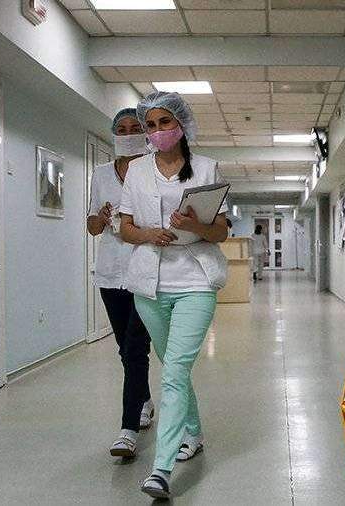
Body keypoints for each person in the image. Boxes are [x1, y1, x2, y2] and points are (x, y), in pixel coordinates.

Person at [118, 91, 229, 499]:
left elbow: (220, 231)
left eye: (165, 122)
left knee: (174, 371)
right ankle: (193, 432)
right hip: (150, 284)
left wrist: (193, 226)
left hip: (195, 280)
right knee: (174, 368)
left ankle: (161, 470)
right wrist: (150, 233)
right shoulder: (137, 171)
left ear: (181, 124)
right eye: (150, 125)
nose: (157, 131)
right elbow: (125, 227)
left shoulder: (206, 167)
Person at [87, 108, 154, 459]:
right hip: (110, 272)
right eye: (121, 129)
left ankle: (128, 431)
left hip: (143, 269)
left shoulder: (153, 170)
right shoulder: (100, 174)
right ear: (114, 134)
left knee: (135, 348)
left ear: (144, 134)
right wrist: (101, 217)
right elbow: (91, 227)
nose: (128, 134)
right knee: (125, 349)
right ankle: (144, 400)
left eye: (134, 128)